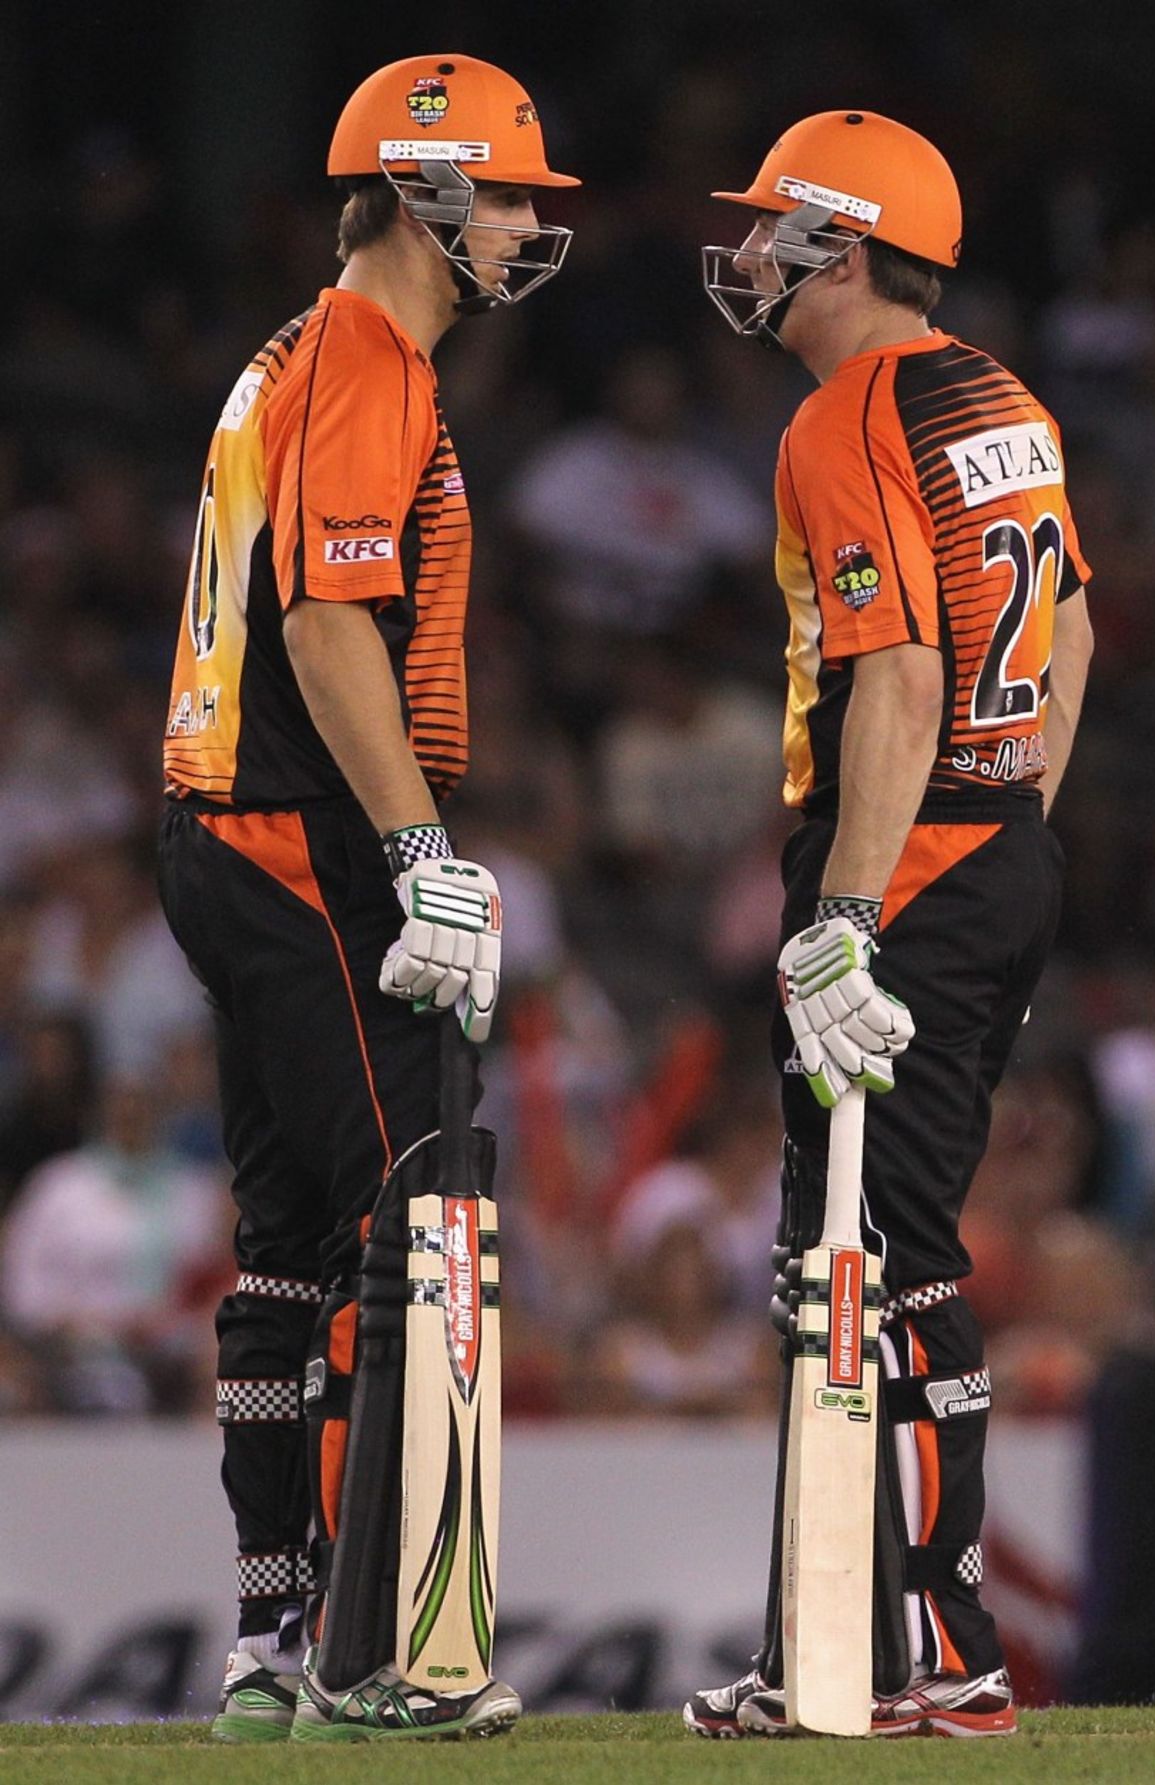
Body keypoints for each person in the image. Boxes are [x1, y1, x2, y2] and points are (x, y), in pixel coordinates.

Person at [155, 54, 577, 1742]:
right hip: (302, 837)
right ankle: (382, 1649)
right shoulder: (369, 354)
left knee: (284, 1252)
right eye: (513, 193)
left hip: (223, 831)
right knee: (424, 1213)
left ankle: (270, 1635)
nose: (533, 223)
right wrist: (419, 854)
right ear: (426, 195)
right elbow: (333, 628)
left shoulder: (292, 353)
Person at [683, 110, 1094, 1739]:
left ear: (843, 245)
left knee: (877, 1256)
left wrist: (850, 904)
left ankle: (939, 1647)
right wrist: (1018, 827)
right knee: (850, 1252)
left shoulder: (843, 413)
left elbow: (903, 670)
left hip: (904, 863)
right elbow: (1066, 637)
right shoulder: (1007, 393)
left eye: (777, 228)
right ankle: (832, 1645)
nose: (756, 256)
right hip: (997, 846)